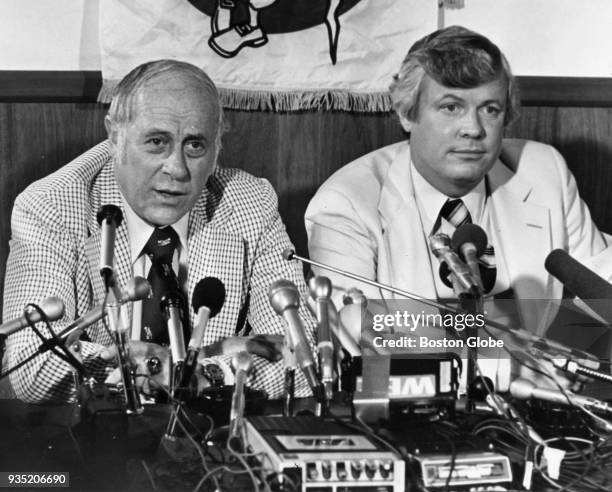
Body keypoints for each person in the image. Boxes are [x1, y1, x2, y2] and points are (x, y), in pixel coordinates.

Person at [306, 26, 612, 385]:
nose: (473, 128)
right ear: (407, 113)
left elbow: (600, 300)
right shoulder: (346, 201)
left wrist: (562, 362)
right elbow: (368, 339)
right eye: (451, 107)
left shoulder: (544, 173)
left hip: (547, 408)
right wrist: (509, 368)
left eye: (490, 109)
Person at [3, 59, 315, 403]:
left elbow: (306, 354)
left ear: (215, 150)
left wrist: (202, 374)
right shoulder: (53, 205)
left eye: (195, 145)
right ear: (115, 136)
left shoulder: (248, 202)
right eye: (156, 142)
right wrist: (176, 364)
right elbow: (32, 369)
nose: (177, 169)